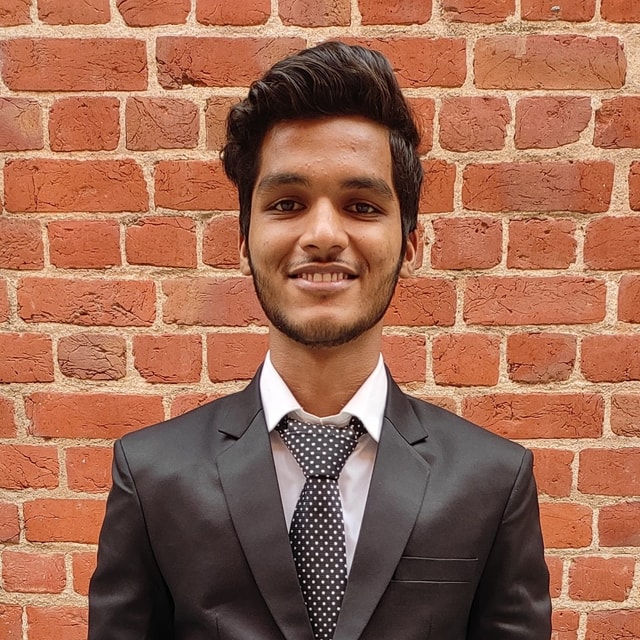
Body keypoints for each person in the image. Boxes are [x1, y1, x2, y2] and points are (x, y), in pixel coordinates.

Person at [88, 41, 551, 640]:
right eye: (288, 203)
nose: (324, 234)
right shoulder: (153, 477)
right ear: (244, 239)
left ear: (410, 242)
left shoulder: (492, 481)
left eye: (361, 205)